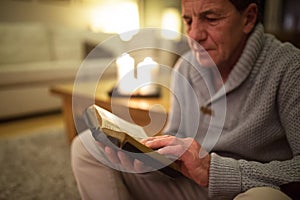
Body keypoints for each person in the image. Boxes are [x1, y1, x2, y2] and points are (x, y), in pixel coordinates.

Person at [71, 0, 300, 199]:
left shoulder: (290, 69)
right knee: (86, 146)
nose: (194, 35)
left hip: (251, 189)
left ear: (248, 18)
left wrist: (214, 170)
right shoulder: (186, 67)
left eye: (210, 18)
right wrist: (150, 161)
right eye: (188, 20)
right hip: (192, 186)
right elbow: (177, 138)